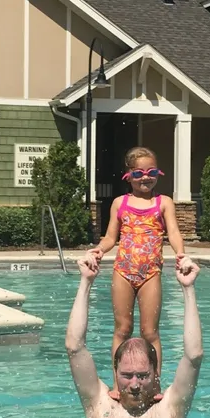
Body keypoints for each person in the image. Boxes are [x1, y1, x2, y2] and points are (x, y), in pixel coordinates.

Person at [65, 252, 202, 418]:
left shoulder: (168, 411)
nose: (135, 384)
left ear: (156, 374)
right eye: (127, 375)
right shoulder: (100, 405)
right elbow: (74, 347)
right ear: (116, 373)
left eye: (143, 375)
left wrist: (188, 289)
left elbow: (193, 356)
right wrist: (85, 282)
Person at [87, 146, 189, 390]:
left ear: (158, 173)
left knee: (150, 332)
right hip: (123, 272)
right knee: (122, 330)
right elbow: (111, 237)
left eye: (151, 172)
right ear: (128, 175)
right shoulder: (119, 203)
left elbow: (173, 232)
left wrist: (181, 253)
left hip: (150, 274)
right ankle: (117, 384)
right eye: (139, 173)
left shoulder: (163, 203)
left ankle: (154, 384)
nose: (145, 177)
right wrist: (99, 249)